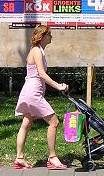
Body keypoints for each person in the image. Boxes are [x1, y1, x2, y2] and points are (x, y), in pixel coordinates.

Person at [14, 25, 69, 170]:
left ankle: (19, 159)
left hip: (29, 92)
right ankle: (52, 158)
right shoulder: (37, 51)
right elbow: (41, 74)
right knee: (54, 122)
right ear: (42, 36)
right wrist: (58, 86)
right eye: (49, 34)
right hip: (33, 93)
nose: (51, 36)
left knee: (26, 124)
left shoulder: (39, 51)